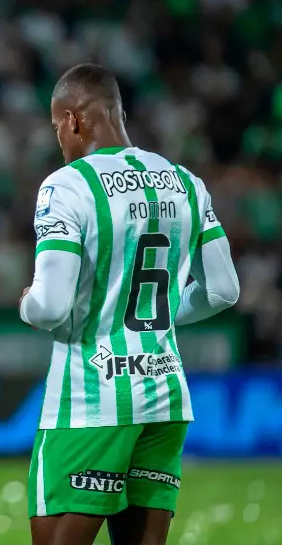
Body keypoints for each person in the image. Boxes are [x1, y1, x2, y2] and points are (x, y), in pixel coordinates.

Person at [19, 63, 240, 545]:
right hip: (165, 395)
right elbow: (224, 290)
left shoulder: (67, 186)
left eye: (57, 125)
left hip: (91, 400)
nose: (59, 137)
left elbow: (50, 307)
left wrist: (26, 304)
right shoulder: (185, 181)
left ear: (72, 119)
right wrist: (154, 313)